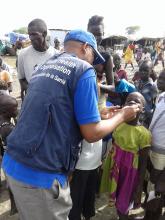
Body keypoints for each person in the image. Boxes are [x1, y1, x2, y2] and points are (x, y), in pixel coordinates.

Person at [2, 29, 140, 220]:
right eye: (93, 56)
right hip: (40, 175)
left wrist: (97, 115)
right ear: (85, 48)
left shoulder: (46, 65)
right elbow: (91, 134)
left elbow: (53, 111)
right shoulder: (84, 69)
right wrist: (123, 115)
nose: (93, 62)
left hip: (14, 164)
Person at [100, 92, 151, 220]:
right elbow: (113, 145)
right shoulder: (118, 124)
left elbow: (143, 163)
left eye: (137, 101)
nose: (132, 102)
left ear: (143, 109)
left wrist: (139, 186)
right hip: (116, 169)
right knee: (117, 200)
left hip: (129, 174)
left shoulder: (144, 134)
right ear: (123, 106)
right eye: (129, 101)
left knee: (124, 203)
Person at [17, 18, 57, 101]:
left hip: (51, 100)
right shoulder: (23, 54)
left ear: (44, 33)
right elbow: (22, 79)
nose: (31, 38)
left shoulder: (56, 55)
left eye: (34, 34)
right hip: (32, 99)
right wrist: (32, 91)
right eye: (29, 35)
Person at [144, 69, 165, 220]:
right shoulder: (162, 96)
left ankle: (153, 215)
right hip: (153, 146)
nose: (159, 80)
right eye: (160, 77)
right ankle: (152, 211)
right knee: (151, 182)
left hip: (161, 151)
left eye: (164, 79)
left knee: (156, 184)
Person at [0, 91, 18, 216]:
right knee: (15, 185)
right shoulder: (9, 129)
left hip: (5, 159)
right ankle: (16, 206)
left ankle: (13, 207)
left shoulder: (2, 123)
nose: (17, 111)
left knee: (10, 183)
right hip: (13, 160)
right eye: (15, 109)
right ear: (6, 112)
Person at [87, 15, 114, 85]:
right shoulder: (78, 53)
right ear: (87, 33)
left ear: (103, 34)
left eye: (99, 34)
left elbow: (112, 88)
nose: (95, 38)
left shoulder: (106, 57)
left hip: (96, 95)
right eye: (92, 34)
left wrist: (94, 85)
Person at [136, 60, 158, 128]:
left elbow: (155, 102)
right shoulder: (138, 82)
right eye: (141, 70)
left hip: (146, 116)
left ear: (151, 71)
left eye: (145, 70)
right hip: (137, 112)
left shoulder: (152, 86)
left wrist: (151, 115)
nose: (142, 72)